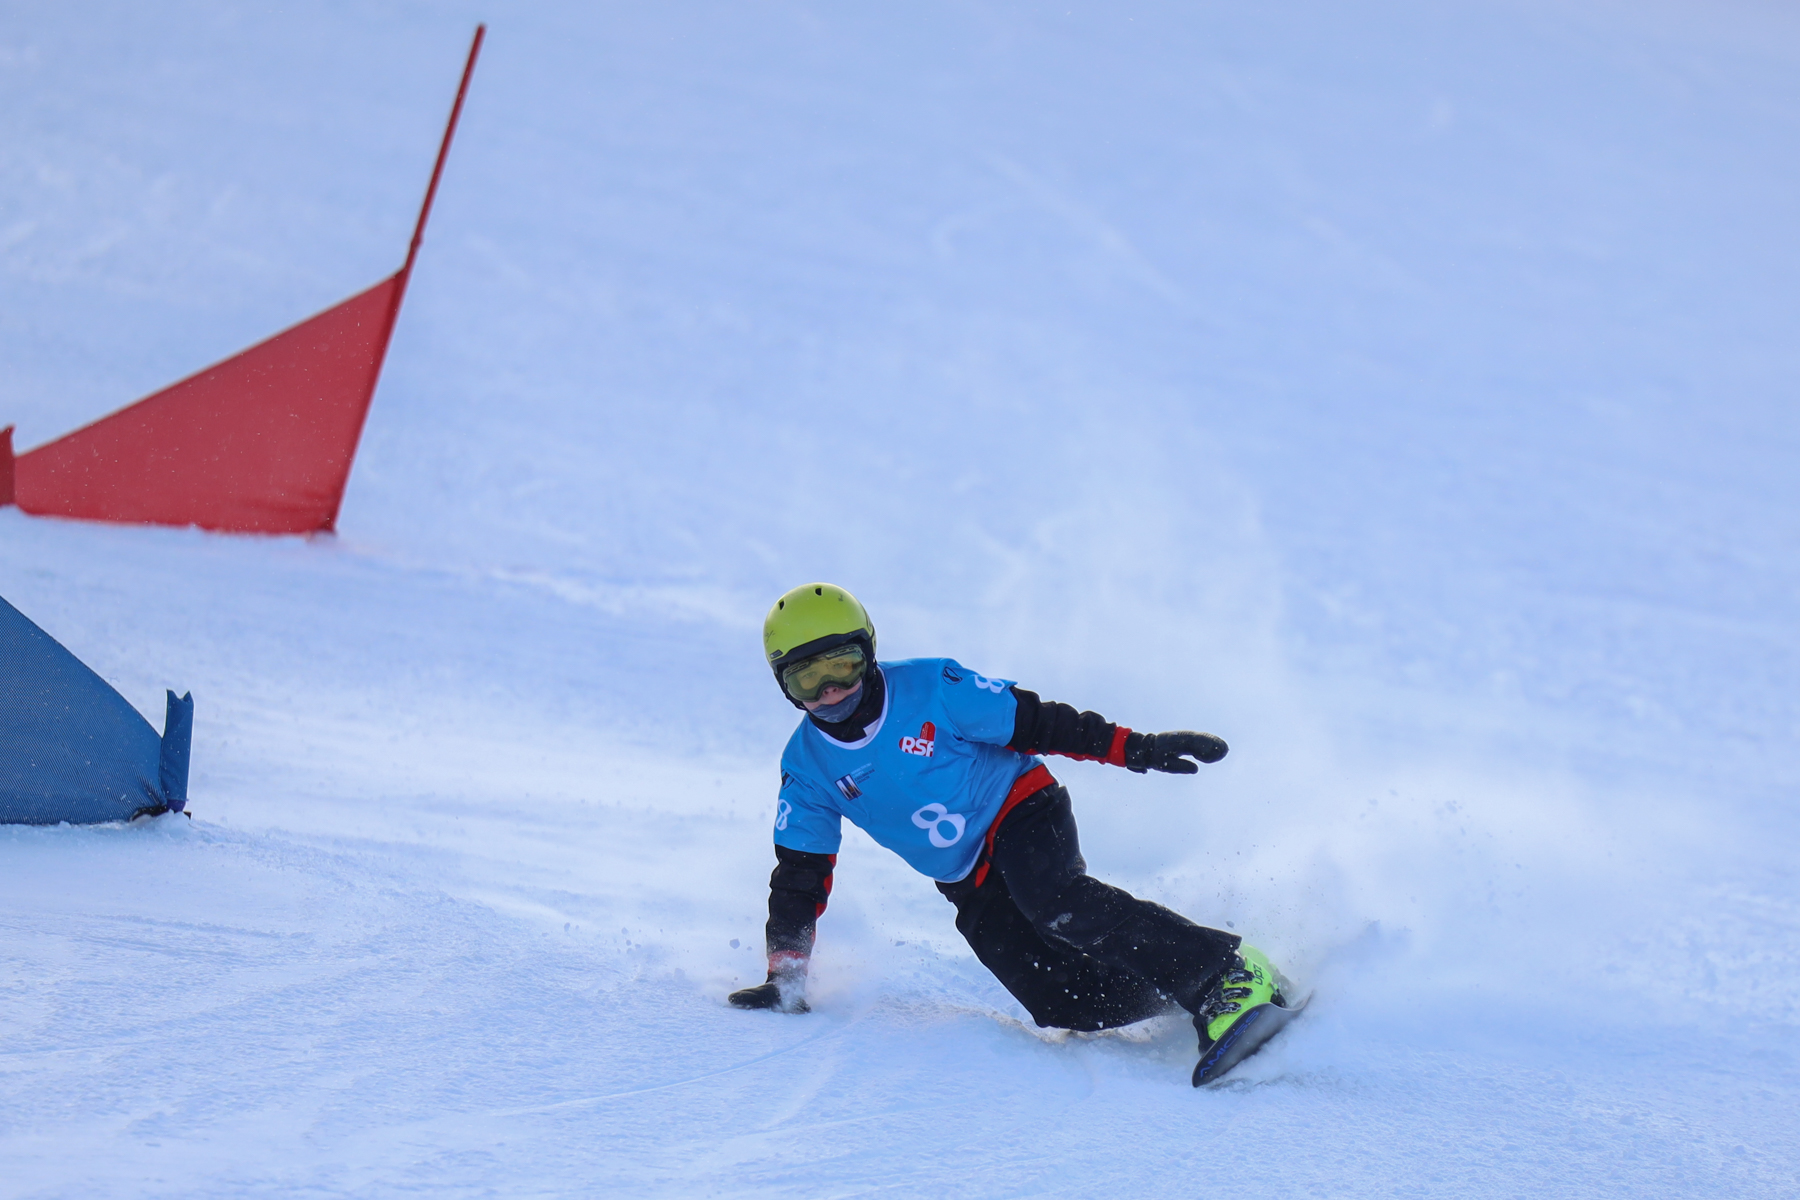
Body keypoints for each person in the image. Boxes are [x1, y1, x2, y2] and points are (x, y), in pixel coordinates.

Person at [729, 583, 1295, 1086]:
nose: (831, 691)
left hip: (1017, 808)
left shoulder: (933, 686)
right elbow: (801, 875)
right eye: (808, 678)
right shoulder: (806, 767)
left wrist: (1137, 748)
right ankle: (1175, 986)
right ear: (785, 686)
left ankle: (1226, 974)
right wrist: (787, 972)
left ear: (869, 651)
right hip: (963, 875)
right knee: (1058, 1001)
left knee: (1055, 901)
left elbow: (1038, 722)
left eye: (843, 665)